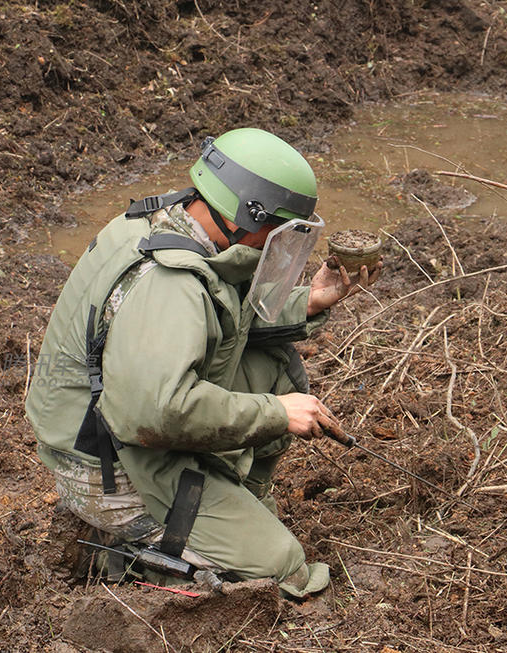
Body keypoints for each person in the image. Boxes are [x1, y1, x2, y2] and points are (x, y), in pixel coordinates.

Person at [25, 127, 380, 598]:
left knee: (273, 366)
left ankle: (225, 510)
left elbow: (219, 320)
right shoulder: (169, 282)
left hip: (120, 424)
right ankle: (126, 553)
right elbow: (154, 413)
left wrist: (308, 303)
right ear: (249, 216)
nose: (281, 243)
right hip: (109, 464)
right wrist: (276, 413)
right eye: (282, 231)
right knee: (283, 570)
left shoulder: (169, 222)